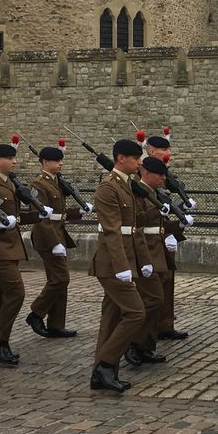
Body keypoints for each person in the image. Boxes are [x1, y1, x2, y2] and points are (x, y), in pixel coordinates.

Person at [89, 139, 152, 393]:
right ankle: (105, 364)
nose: (139, 163)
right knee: (136, 313)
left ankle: (101, 374)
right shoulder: (108, 188)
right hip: (113, 263)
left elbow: (134, 228)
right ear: (121, 158)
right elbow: (112, 230)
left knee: (111, 318)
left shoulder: (126, 185)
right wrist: (121, 266)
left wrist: (142, 261)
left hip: (125, 260)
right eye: (136, 159)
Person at [0, 137, 41, 367]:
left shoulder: (10, 183)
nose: (15, 161)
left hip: (9, 248)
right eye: (10, 158)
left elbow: (15, 218)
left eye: (14, 157)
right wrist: (1, 224)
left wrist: (39, 214)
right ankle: (0, 342)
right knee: (16, 293)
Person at [26, 142, 80, 339]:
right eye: (56, 161)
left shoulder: (56, 182)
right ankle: (36, 313)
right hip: (47, 237)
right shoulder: (38, 184)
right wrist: (54, 242)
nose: (60, 164)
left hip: (58, 233)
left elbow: (59, 213)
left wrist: (79, 211)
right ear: (45, 162)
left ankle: (56, 325)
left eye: (61, 160)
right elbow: (41, 217)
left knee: (59, 280)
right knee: (60, 278)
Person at [143, 130, 188, 342]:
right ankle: (146, 332)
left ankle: (165, 324)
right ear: (151, 151)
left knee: (167, 279)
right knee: (154, 284)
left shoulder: (164, 174)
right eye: (163, 149)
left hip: (164, 232)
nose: (167, 152)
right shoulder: (143, 172)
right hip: (149, 237)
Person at [127, 156, 171, 368]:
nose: (163, 178)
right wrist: (157, 209)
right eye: (159, 175)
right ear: (146, 174)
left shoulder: (155, 192)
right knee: (152, 299)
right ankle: (133, 342)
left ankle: (146, 345)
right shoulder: (138, 193)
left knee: (157, 301)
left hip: (158, 250)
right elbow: (137, 221)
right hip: (144, 251)